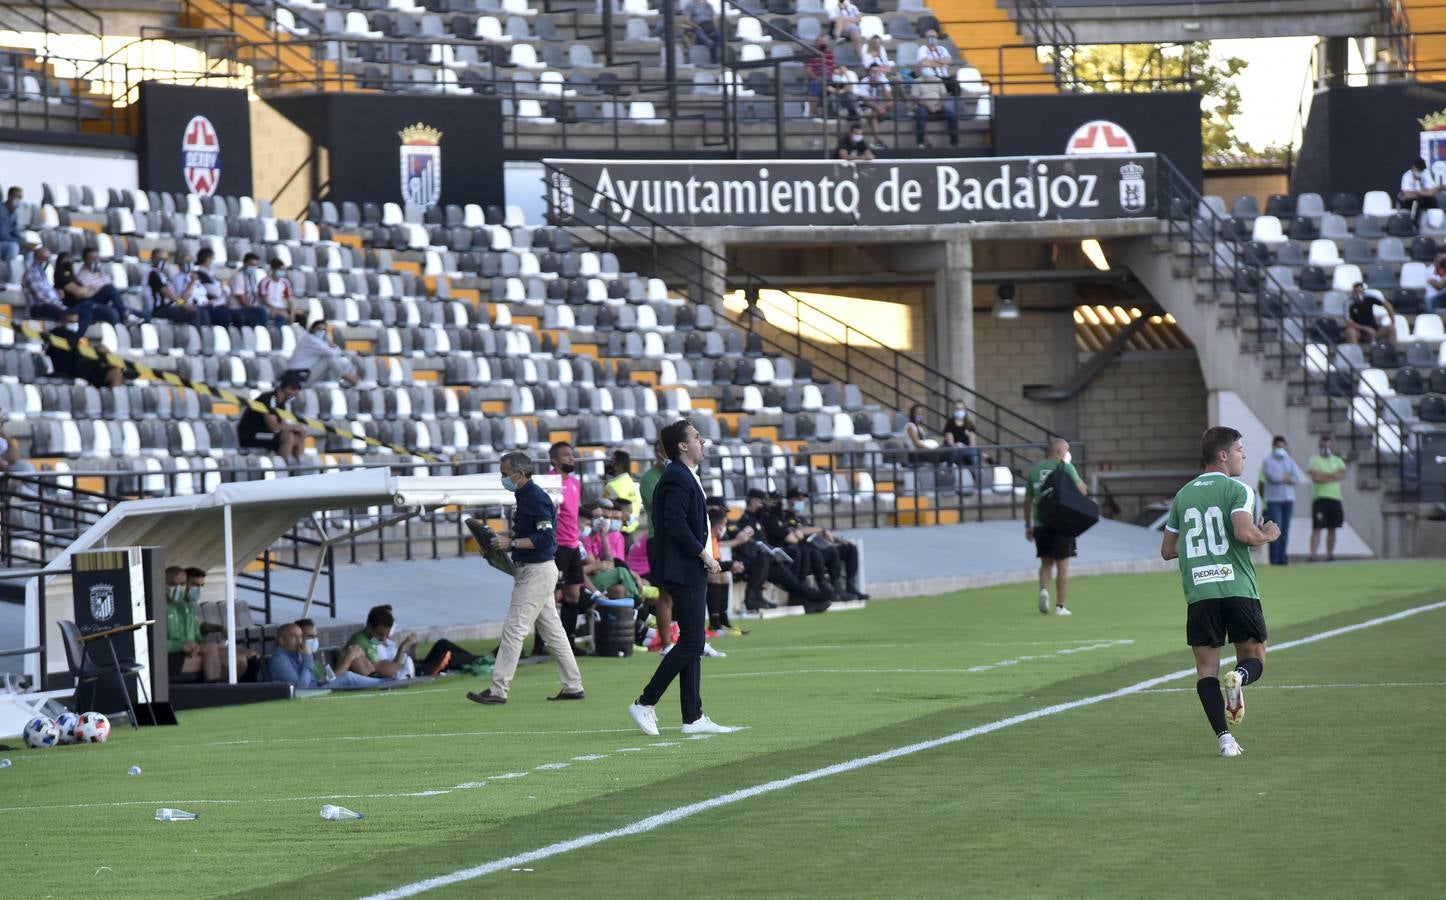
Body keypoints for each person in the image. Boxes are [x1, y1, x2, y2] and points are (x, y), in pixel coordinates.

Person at [1160, 427, 1279, 758]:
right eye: (1240, 449)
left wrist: (1201, 555)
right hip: (1238, 588)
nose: (1244, 455)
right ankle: (1239, 677)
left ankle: (1225, 740)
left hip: (1200, 593)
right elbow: (1244, 533)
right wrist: (1267, 534)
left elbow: (1168, 550)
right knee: (1254, 659)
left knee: (1205, 672)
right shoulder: (1239, 490)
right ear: (1223, 455)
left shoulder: (1183, 495)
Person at [628, 418, 739, 737]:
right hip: (683, 566)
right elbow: (675, 522)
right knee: (693, 641)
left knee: (693, 640)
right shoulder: (676, 476)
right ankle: (645, 702)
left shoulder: (684, 474)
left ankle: (693, 716)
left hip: (688, 566)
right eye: (696, 437)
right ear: (681, 446)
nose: (702, 441)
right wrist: (702, 553)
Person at [466, 451, 586, 705]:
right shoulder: (527, 496)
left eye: (505, 474)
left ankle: (499, 689)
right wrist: (501, 546)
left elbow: (546, 538)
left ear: (519, 474)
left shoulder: (534, 498)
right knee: (553, 632)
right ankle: (573, 685)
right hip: (537, 571)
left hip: (536, 572)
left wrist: (510, 542)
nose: (503, 478)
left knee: (514, 629)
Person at [1022, 437, 1087, 616]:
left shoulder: (1035, 471)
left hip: (1040, 523)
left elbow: (1027, 501)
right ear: (1059, 452)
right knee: (1063, 565)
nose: (1068, 454)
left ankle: (1044, 589)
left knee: (1045, 562)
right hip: (1062, 523)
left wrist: (1028, 525)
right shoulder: (1066, 468)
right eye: (1066, 450)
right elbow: (1082, 490)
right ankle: (1060, 606)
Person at [785, 487, 867, 599]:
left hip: (818, 547)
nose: (801, 502)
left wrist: (839, 539)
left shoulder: (801, 519)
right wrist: (821, 529)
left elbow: (818, 534)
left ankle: (850, 587)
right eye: (799, 499)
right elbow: (799, 531)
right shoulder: (785, 516)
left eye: (802, 500)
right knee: (831, 551)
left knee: (850, 548)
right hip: (809, 553)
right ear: (790, 500)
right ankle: (837, 588)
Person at [184, 567, 261, 681]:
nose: (198, 589)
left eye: (201, 585)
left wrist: (220, 627)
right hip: (195, 647)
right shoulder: (177, 607)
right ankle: (224, 689)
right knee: (238, 659)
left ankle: (250, 691)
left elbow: (199, 626)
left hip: (203, 644)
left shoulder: (190, 606)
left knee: (251, 654)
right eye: (195, 585)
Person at [267, 622, 392, 689]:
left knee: (347, 675)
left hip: (316, 688)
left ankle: (384, 682)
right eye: (293, 637)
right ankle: (384, 682)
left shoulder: (296, 654)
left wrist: (323, 681)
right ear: (281, 641)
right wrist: (307, 658)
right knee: (347, 677)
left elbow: (312, 681)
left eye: (300, 636)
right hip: (306, 693)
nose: (299, 640)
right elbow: (301, 687)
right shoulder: (280, 660)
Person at [638, 439, 675, 652]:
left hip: (678, 540)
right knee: (665, 594)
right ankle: (666, 644)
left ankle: (690, 641)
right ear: (657, 454)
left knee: (686, 592)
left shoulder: (679, 473)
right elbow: (665, 503)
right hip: (660, 540)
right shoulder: (649, 479)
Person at [164, 565, 221, 683]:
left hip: (182, 653)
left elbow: (189, 637)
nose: (178, 588)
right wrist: (181, 646)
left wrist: (191, 646)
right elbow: (153, 644)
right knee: (213, 652)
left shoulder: (180, 607)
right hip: (166, 660)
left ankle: (218, 689)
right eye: (173, 584)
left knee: (219, 651)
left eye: (182, 584)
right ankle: (214, 690)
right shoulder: (157, 608)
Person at [237, 370, 308, 462]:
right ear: (287, 388)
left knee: (299, 437)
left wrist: (298, 430)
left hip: (265, 434)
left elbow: (283, 424)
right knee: (288, 436)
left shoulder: (281, 402)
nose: (297, 393)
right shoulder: (269, 399)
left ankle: (299, 468)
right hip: (251, 435)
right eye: (294, 389)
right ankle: (284, 470)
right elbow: (273, 427)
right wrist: (295, 427)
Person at [334, 604, 420, 680]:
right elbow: (390, 670)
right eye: (380, 634)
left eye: (386, 635)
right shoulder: (361, 642)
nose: (383, 639)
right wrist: (402, 648)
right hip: (369, 679)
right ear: (369, 626)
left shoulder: (373, 640)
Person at [1255, 435, 1303, 566]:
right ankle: (1274, 559)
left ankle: (1282, 558)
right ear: (1273, 446)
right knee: (1276, 528)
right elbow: (1271, 477)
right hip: (1274, 500)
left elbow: (1297, 479)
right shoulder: (1267, 461)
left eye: (1282, 446)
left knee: (1285, 530)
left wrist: (1284, 478)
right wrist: (1286, 478)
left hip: (1288, 500)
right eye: (1278, 446)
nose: (1280, 449)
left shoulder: (1289, 461)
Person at [45, 309, 125, 388]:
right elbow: (76, 351)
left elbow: (82, 349)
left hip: (84, 364)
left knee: (115, 369)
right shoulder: (59, 333)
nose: (74, 325)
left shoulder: (76, 336)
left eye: (76, 322)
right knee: (114, 372)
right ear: (62, 321)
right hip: (72, 368)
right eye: (71, 322)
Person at [1306, 435, 1347, 562]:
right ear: (1320, 446)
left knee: (1332, 527)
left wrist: (1324, 476)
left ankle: (1330, 554)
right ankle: (1313, 554)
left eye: (1328, 446)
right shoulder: (1314, 460)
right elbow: (1315, 477)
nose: (1326, 448)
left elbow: (1341, 474)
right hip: (1320, 498)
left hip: (1335, 498)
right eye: (1324, 446)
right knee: (1317, 528)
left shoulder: (1337, 460)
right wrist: (1331, 476)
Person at [286, 320, 360, 387]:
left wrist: (329, 342)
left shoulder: (319, 341)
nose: (321, 331)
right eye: (319, 329)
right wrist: (330, 341)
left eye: (323, 330)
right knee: (329, 360)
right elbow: (333, 353)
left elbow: (338, 354)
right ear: (312, 329)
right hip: (298, 376)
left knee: (344, 360)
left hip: (305, 373)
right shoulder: (311, 340)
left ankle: (349, 380)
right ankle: (348, 378)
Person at [144, 249, 202, 325]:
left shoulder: (161, 274)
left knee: (200, 311)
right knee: (193, 313)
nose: (162, 262)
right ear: (152, 258)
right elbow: (169, 295)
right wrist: (183, 305)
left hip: (168, 307)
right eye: (160, 259)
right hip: (158, 309)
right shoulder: (152, 274)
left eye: (165, 260)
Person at [911, 72, 958, 149]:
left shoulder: (938, 80)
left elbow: (944, 95)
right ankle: (920, 143)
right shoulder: (917, 81)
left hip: (937, 105)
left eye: (929, 77)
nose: (928, 78)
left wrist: (938, 105)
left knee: (951, 115)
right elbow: (915, 97)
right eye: (926, 77)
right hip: (923, 105)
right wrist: (928, 106)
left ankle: (954, 142)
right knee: (920, 114)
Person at [21, 245, 67, 322]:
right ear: (37, 258)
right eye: (45, 258)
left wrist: (56, 292)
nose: (46, 261)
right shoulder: (32, 273)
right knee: (69, 314)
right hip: (39, 308)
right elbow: (42, 296)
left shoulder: (42, 272)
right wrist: (60, 304)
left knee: (80, 311)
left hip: (49, 305)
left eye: (48, 258)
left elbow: (47, 291)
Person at [603, 449, 642, 537]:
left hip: (616, 532)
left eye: (612, 462)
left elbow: (604, 508)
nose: (610, 465)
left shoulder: (611, 486)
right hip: (631, 530)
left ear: (619, 466)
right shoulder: (633, 484)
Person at [1344, 282, 1395, 347]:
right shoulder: (1348, 303)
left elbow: (1387, 305)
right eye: (1356, 291)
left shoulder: (1370, 297)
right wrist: (1366, 328)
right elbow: (1348, 322)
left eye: (1359, 291)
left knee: (1391, 328)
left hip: (1373, 329)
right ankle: (1355, 353)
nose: (1358, 293)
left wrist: (1393, 321)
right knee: (1350, 331)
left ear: (1363, 291)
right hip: (1359, 331)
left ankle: (1392, 351)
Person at [227, 252, 271, 327]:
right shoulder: (238, 277)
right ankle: (266, 332)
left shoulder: (252, 277)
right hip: (238, 308)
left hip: (249, 307)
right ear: (244, 263)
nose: (253, 267)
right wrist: (254, 307)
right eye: (251, 264)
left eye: (255, 265)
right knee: (261, 311)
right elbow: (241, 299)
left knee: (266, 310)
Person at [857, 64, 893, 149]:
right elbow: (866, 100)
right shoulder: (864, 81)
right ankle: (878, 140)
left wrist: (882, 85)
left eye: (877, 71)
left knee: (891, 102)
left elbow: (889, 97)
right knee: (872, 114)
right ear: (869, 72)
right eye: (873, 71)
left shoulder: (883, 80)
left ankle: (879, 113)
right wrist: (878, 108)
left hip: (881, 105)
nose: (875, 73)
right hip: (867, 106)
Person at [258, 257, 299, 327]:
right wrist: (275, 309)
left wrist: (292, 312)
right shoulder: (265, 282)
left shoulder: (285, 282)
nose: (282, 272)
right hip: (268, 308)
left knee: (300, 316)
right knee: (280, 316)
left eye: (283, 270)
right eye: (280, 269)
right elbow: (264, 299)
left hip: (281, 308)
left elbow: (289, 299)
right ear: (273, 269)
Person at [941, 398, 980, 469]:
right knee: (975, 452)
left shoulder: (969, 424)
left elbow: (973, 444)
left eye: (961, 409)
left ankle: (977, 477)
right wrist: (958, 445)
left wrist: (965, 447)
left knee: (975, 457)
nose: (959, 411)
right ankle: (984, 455)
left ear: (965, 410)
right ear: (954, 410)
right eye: (957, 409)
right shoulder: (950, 423)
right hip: (955, 451)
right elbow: (951, 443)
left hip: (967, 450)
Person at [917, 30, 958, 96]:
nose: (932, 39)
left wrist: (934, 61)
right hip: (933, 78)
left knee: (955, 83)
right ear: (926, 38)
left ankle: (956, 104)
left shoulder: (942, 49)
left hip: (945, 77)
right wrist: (942, 63)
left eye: (934, 37)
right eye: (930, 37)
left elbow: (949, 61)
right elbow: (925, 63)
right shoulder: (923, 49)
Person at [1399, 157, 1438, 224]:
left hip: (1421, 199)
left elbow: (1432, 192)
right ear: (1414, 168)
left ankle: (1435, 222)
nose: (1420, 172)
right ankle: (1413, 224)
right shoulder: (1407, 176)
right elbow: (1407, 195)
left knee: (1432, 199)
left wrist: (1415, 192)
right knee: (1416, 201)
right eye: (1419, 170)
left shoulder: (1425, 174)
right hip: (1409, 202)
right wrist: (1423, 192)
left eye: (1421, 171)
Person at [805, 39, 838, 116]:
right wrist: (817, 78)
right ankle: (812, 113)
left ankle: (837, 114)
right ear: (816, 43)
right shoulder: (811, 54)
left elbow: (834, 68)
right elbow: (809, 70)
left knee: (840, 84)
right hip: (817, 79)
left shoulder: (830, 54)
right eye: (821, 41)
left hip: (829, 78)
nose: (823, 43)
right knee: (815, 85)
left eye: (824, 41)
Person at [0, 186, 24, 262]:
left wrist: (24, 241)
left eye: (21, 198)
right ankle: (8, 273)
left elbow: (15, 232)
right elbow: (2, 236)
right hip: (2, 242)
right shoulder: (1, 211)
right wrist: (21, 243)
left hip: (7, 242)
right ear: (10, 196)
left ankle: (29, 273)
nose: (19, 200)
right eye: (18, 197)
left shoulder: (14, 213)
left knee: (30, 250)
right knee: (13, 247)